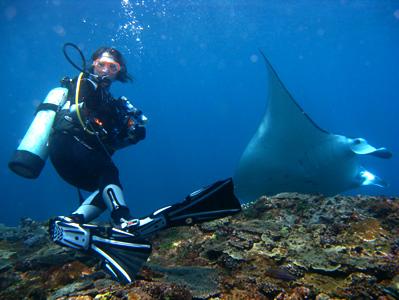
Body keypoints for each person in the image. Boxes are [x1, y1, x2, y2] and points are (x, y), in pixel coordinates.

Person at [49, 46, 147, 231]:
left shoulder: (109, 102)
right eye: (101, 64)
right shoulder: (84, 83)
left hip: (70, 159)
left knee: (106, 191)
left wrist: (131, 137)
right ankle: (123, 219)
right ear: (93, 64)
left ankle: (71, 223)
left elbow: (109, 143)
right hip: (68, 144)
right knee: (108, 172)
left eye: (112, 67)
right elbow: (77, 112)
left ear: (119, 71)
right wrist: (88, 115)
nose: (105, 71)